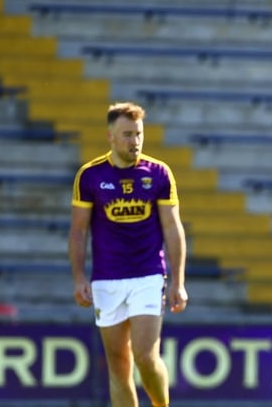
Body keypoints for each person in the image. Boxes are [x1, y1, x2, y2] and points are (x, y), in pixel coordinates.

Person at [68, 102, 188, 407]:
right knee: (119, 367)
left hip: (148, 274)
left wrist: (178, 281)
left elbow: (172, 228)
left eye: (138, 134)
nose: (134, 141)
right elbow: (79, 230)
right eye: (127, 134)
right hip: (107, 278)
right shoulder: (90, 176)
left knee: (145, 356)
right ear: (110, 136)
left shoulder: (159, 173)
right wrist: (79, 276)